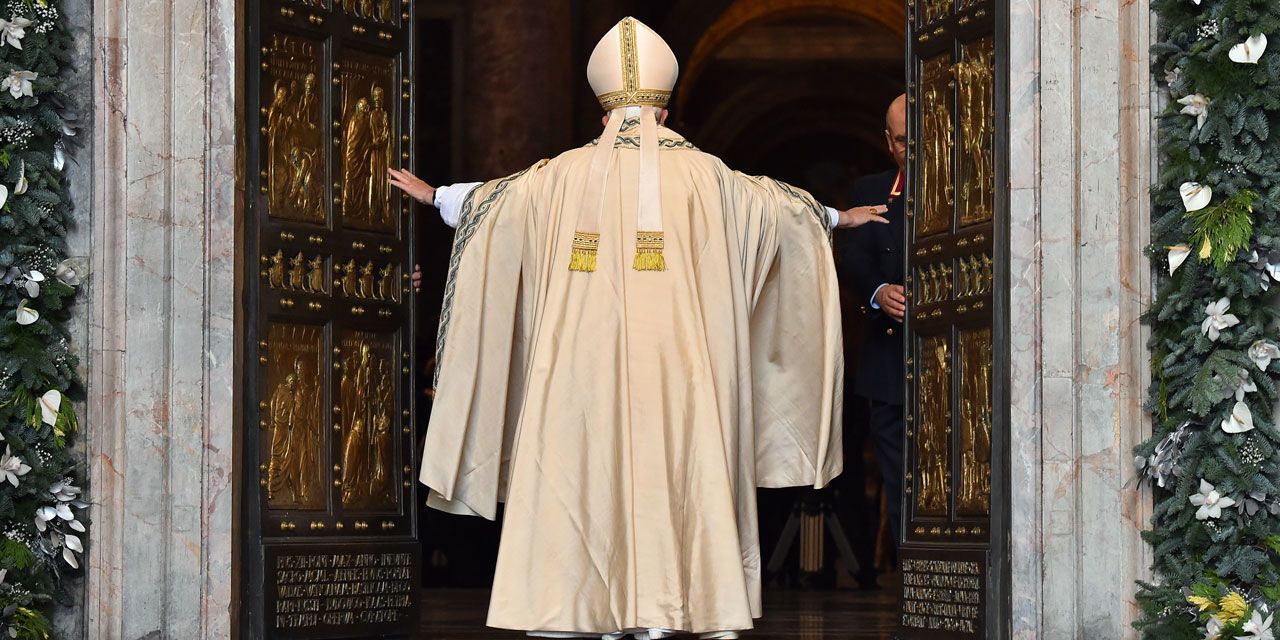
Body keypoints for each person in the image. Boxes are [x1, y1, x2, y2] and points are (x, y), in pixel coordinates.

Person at [391, 18, 886, 639]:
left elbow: (491, 204)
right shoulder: (711, 176)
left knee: (581, 468)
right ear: (667, 111)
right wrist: (838, 216)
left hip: (579, 374)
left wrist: (436, 194)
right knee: (677, 467)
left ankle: (572, 609)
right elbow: (783, 211)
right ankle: (676, 608)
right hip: (682, 374)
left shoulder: (556, 176)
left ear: (603, 115)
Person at [838, 94, 908, 549]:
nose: (911, 151)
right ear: (887, 141)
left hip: (961, 364)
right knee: (900, 486)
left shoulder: (973, 183)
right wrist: (879, 292)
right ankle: (912, 586)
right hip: (889, 366)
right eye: (902, 142)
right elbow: (853, 260)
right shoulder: (871, 190)